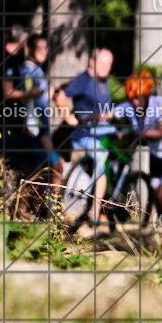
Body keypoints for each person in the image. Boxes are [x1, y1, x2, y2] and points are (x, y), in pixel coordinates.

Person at [113, 70, 162, 225]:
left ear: (147, 94)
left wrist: (139, 132)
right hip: (156, 154)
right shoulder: (129, 106)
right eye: (131, 98)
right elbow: (107, 115)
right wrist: (85, 117)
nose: (134, 102)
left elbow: (161, 132)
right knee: (155, 194)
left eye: (137, 98)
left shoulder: (160, 104)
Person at [55, 48, 115, 222]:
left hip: (98, 136)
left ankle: (96, 211)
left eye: (110, 63)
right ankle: (94, 214)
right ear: (92, 61)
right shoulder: (84, 79)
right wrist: (67, 116)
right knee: (102, 160)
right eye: (103, 62)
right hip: (82, 137)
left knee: (104, 167)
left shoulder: (103, 82)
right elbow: (60, 94)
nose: (107, 67)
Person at [7, 33, 64, 187]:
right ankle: (53, 208)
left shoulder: (36, 70)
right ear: (30, 49)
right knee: (55, 169)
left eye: (46, 48)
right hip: (36, 132)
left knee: (34, 176)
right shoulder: (28, 71)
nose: (44, 51)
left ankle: (35, 209)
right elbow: (29, 102)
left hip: (37, 131)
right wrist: (40, 133)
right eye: (39, 48)